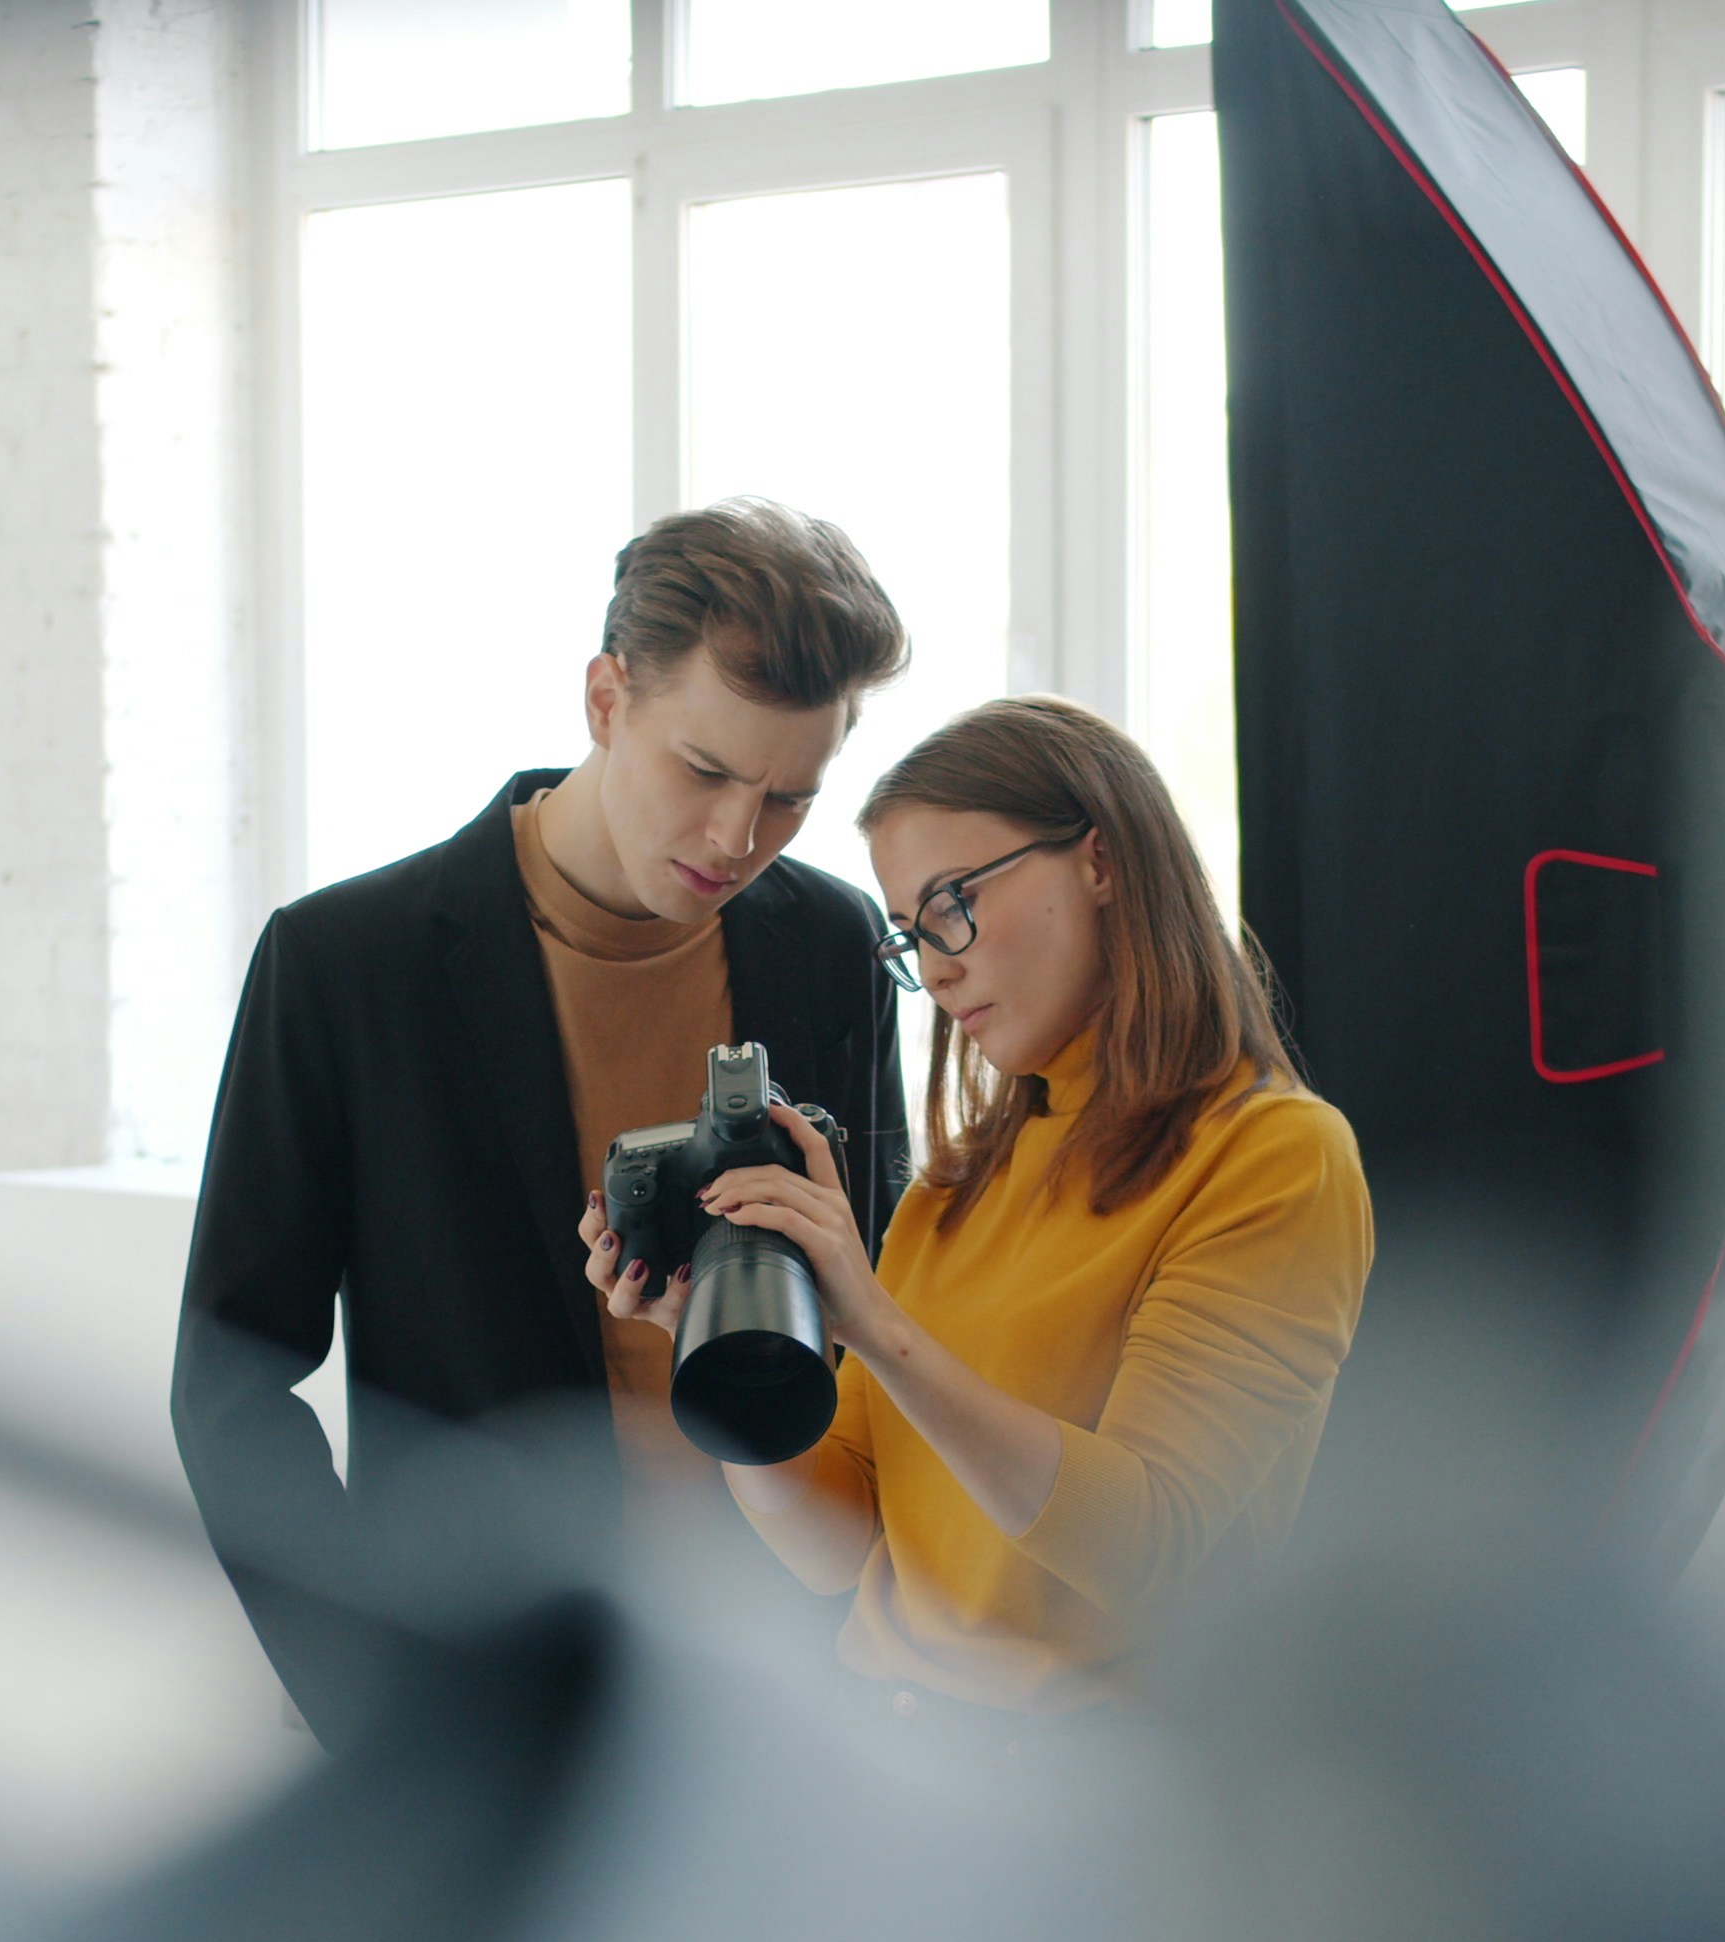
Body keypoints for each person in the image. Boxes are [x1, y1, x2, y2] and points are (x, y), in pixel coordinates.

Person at [175, 500, 914, 1742]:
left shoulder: (832, 941)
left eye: (790, 796)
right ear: (606, 699)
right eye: (708, 771)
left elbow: (885, 1281)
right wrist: (364, 1691)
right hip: (485, 1682)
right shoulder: (351, 963)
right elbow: (231, 1383)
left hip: (799, 1664)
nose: (741, 838)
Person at [582, 695, 1373, 1715]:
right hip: (889, 1764)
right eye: (911, 934)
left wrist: (868, 1316)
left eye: (953, 901)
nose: (940, 965)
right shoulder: (959, 1185)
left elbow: (1152, 1548)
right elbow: (838, 1552)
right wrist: (717, 1352)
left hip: (1101, 1801)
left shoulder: (1276, 1158)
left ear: (1101, 861)